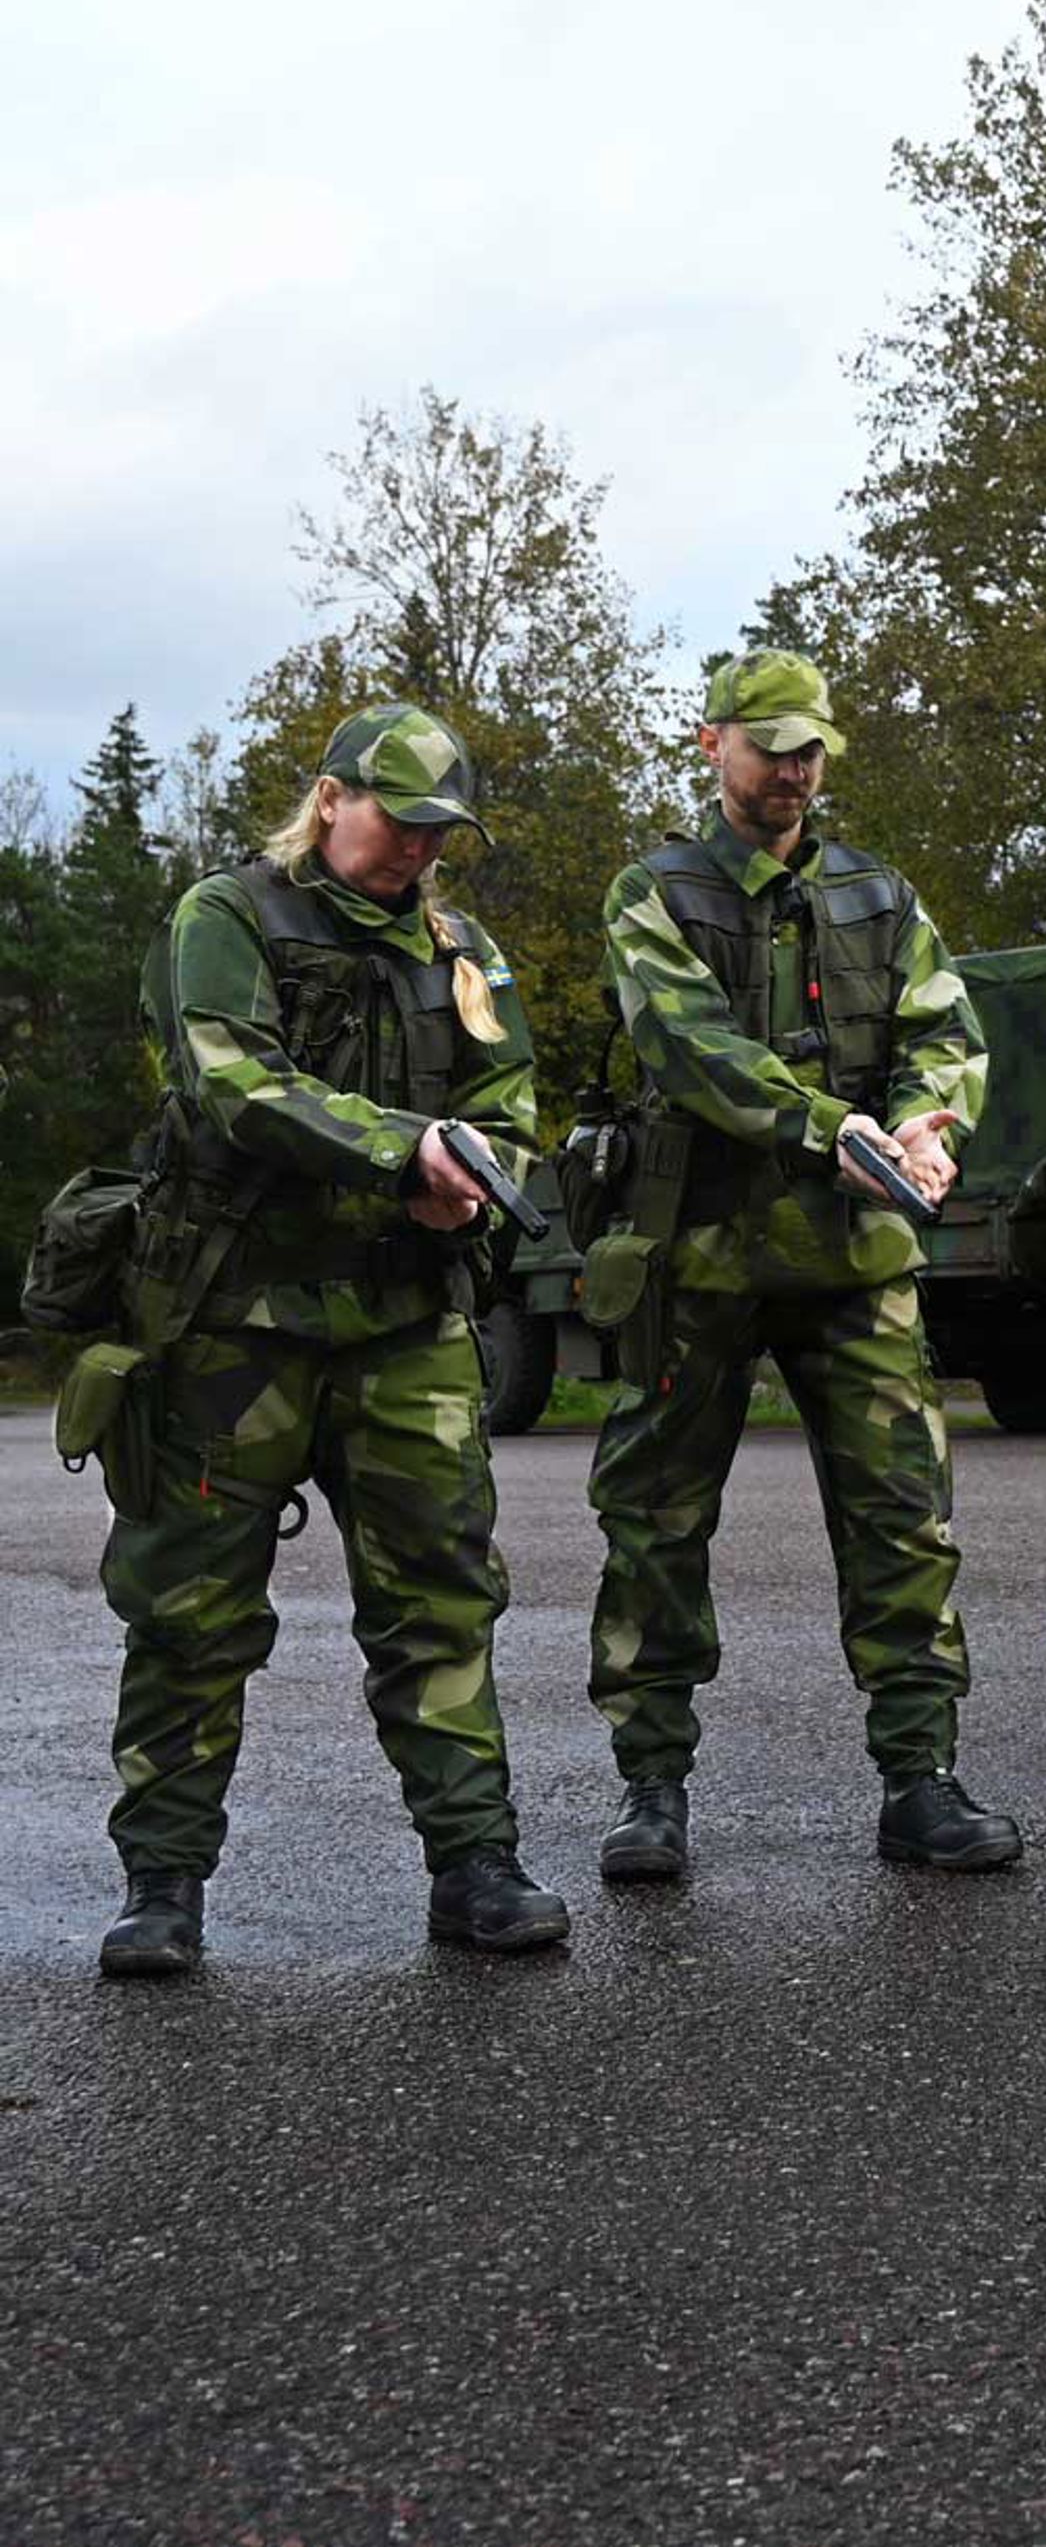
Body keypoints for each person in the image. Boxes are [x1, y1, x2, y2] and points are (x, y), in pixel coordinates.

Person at [85, 704, 570, 1974]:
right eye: (398, 821)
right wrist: (398, 1145)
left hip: (405, 1320)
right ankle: (164, 1883)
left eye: (437, 832)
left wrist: (474, 1168)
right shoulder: (227, 916)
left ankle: (477, 1863)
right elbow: (228, 1078)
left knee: (441, 1600)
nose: (417, 849)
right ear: (330, 797)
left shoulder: (462, 949)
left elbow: (506, 1102)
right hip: (234, 1326)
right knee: (191, 1608)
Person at [581, 651, 1020, 1879]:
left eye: (811, 746)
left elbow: (947, 1029)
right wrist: (833, 1128)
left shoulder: (881, 895)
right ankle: (651, 1787)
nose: (794, 767)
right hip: (701, 1253)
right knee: (659, 1521)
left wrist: (933, 1118)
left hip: (853, 1256)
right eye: (770, 744)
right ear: (710, 741)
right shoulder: (654, 891)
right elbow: (687, 1043)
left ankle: (921, 1778)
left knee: (902, 1516)